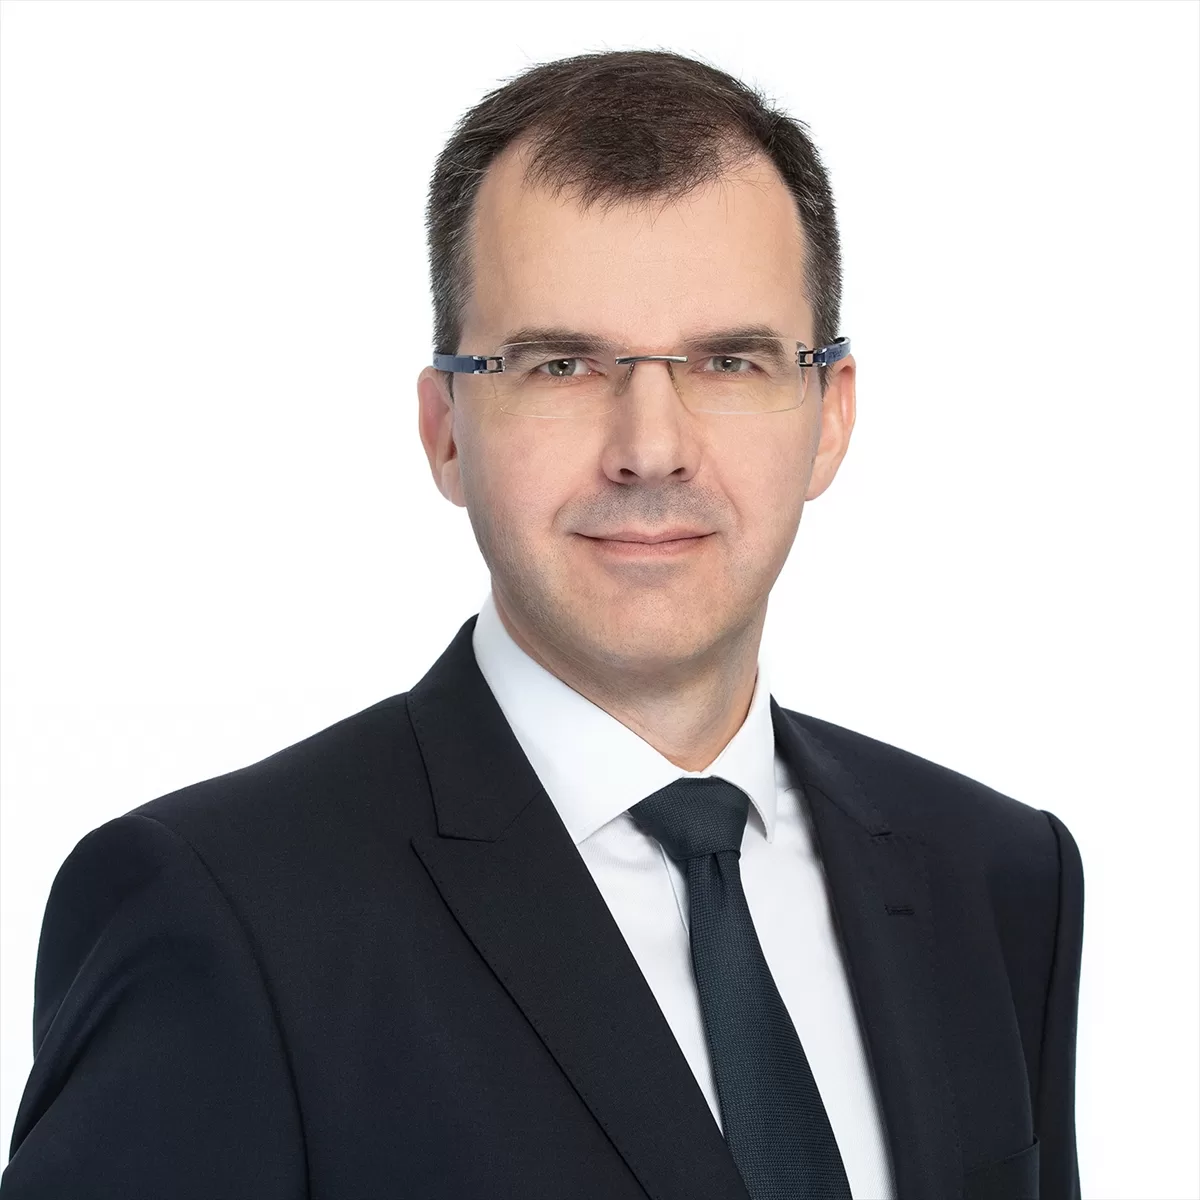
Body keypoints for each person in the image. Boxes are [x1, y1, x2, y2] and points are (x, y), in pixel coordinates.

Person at [1, 48, 1084, 1200]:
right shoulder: (221, 916)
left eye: (729, 360)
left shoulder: (999, 879)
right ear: (446, 429)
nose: (650, 448)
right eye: (563, 364)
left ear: (829, 415)